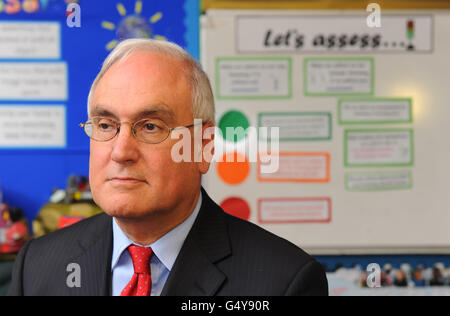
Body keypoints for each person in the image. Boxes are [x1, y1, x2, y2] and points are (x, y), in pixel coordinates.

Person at [7, 39, 328, 296]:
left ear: (204, 147)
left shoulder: (284, 282)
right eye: (105, 125)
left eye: (150, 127)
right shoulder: (38, 265)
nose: (120, 152)